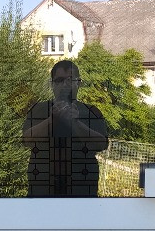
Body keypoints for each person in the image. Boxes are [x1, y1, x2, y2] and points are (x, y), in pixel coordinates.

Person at [22, 60, 108, 197]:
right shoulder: (38, 109)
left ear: (78, 83)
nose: (64, 85)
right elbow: (27, 140)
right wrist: (52, 120)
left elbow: (102, 144)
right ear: (52, 84)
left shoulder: (91, 112)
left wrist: (75, 123)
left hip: (81, 193)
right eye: (59, 80)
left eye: (70, 80)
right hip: (42, 192)